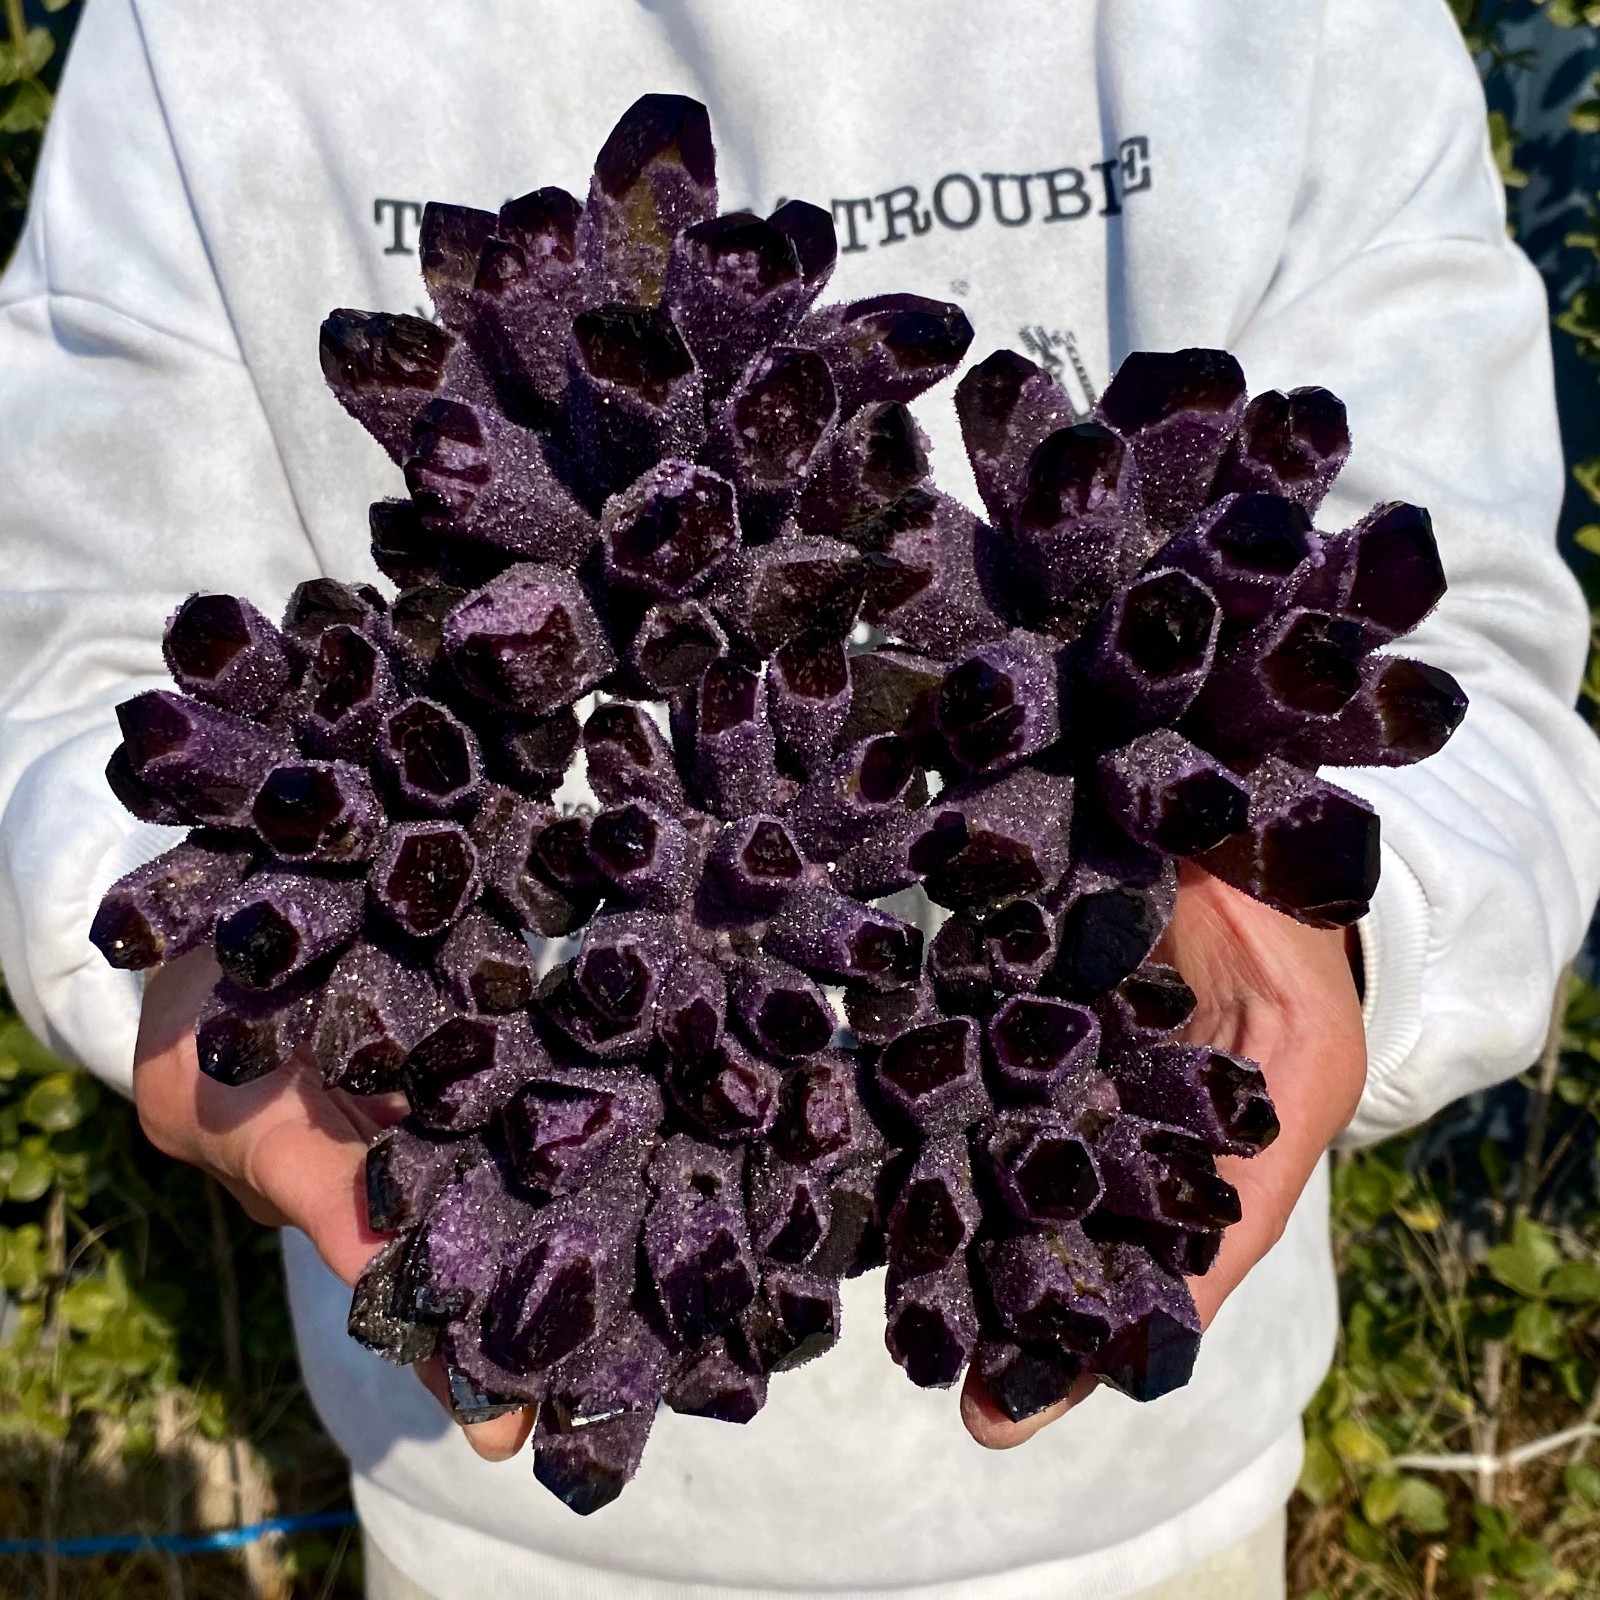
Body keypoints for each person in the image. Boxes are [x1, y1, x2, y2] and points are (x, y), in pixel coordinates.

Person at [3, 2, 1599, 1597]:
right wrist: (182, 942)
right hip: (500, 1525)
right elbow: (62, 664)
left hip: (1134, 1515)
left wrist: (1335, 925)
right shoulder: (203, 34)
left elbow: (1484, 658)